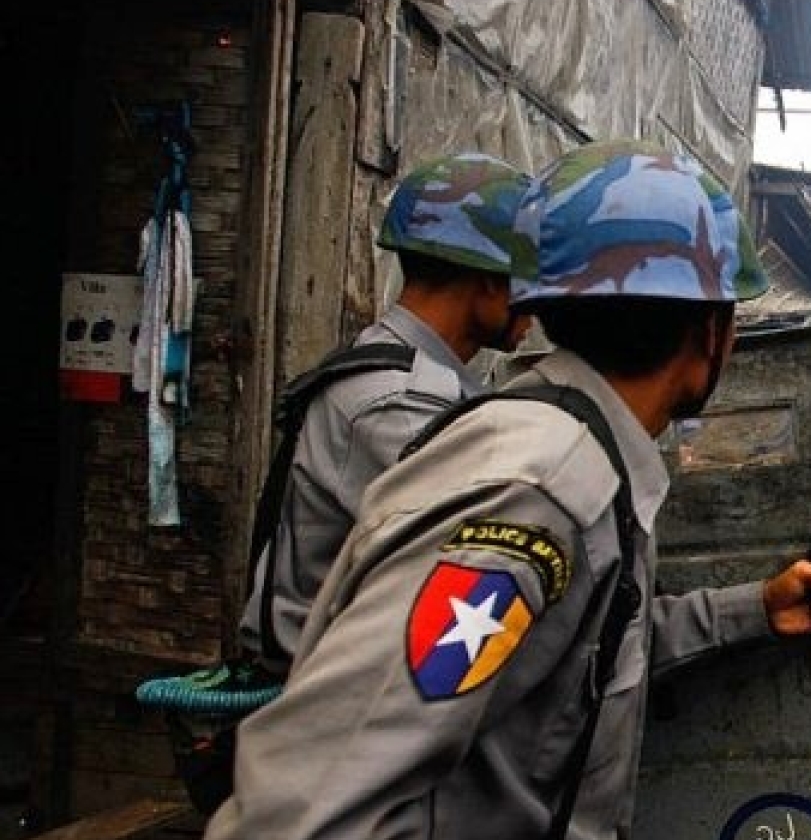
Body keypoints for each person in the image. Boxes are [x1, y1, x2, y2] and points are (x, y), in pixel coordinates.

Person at [185, 140, 811, 840]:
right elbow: (324, 793)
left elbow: (579, 654)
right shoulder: (539, 490)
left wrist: (752, 611)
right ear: (712, 333)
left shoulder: (579, 456)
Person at [146, 152, 536, 708]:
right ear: (485, 280)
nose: (538, 305)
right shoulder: (400, 403)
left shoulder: (389, 366)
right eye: (529, 279)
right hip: (333, 706)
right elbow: (478, 577)